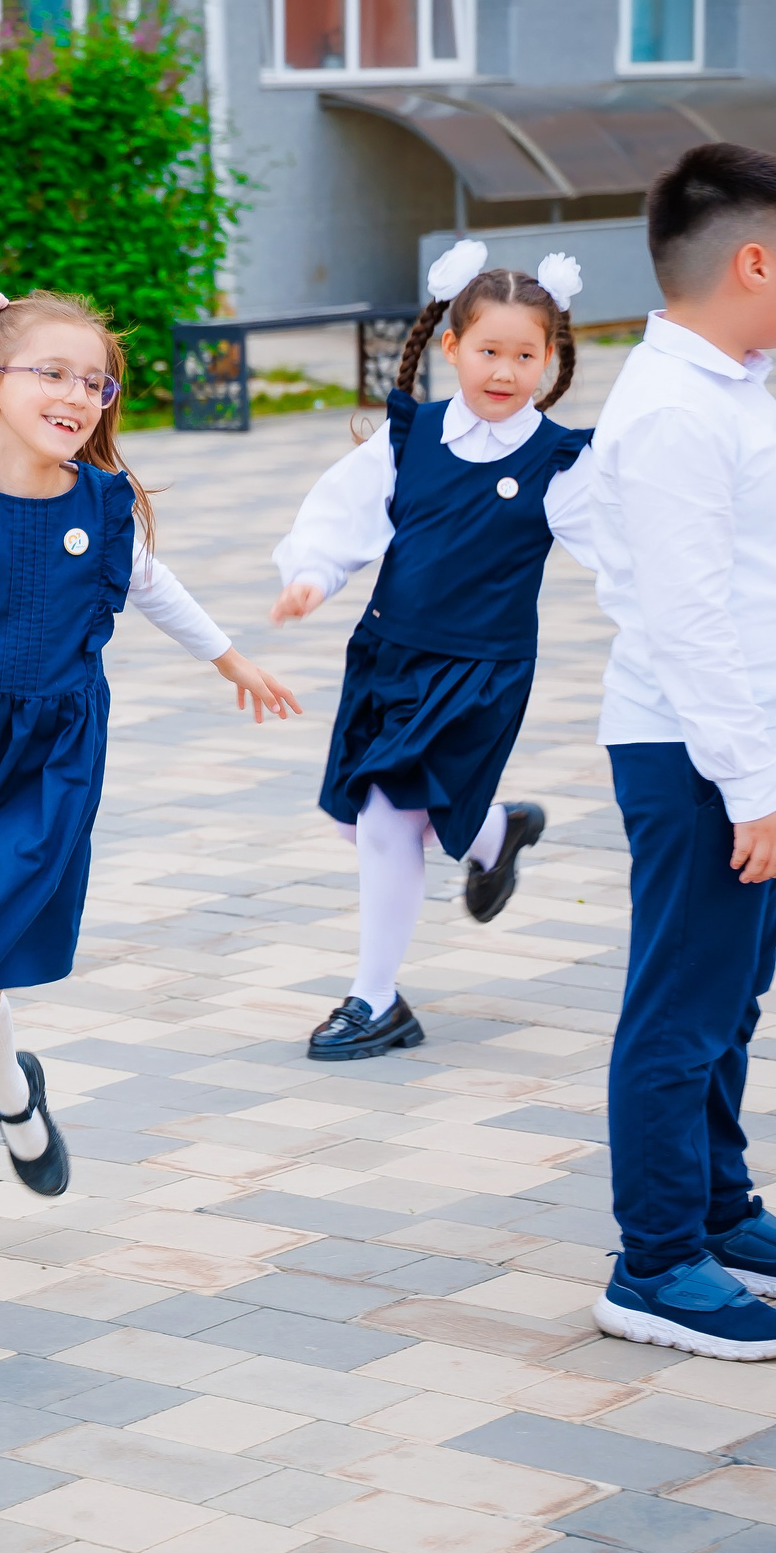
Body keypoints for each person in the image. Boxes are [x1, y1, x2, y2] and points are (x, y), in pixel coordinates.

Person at [0, 288, 299, 1323]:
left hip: (49, 774)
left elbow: (151, 587)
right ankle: (14, 1093)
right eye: (54, 373)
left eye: (94, 380)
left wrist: (231, 662)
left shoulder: (105, 504)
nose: (79, 394)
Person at [586, 142, 776, 1363]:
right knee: (681, 1009)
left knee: (726, 1002)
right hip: (704, 756)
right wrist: (749, 785)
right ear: (751, 260)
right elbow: (685, 617)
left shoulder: (725, 387)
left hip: (756, 747)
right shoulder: (672, 410)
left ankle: (718, 1211)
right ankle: (653, 1265)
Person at [269, 245, 596, 1062]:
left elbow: (627, 548)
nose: (505, 371)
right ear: (451, 348)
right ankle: (493, 833)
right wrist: (310, 576)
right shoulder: (407, 439)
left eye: (526, 354)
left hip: (480, 671)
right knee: (370, 821)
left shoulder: (560, 462)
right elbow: (337, 517)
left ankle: (375, 999)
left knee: (387, 816)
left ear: (550, 359)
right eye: (489, 350)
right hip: (387, 657)